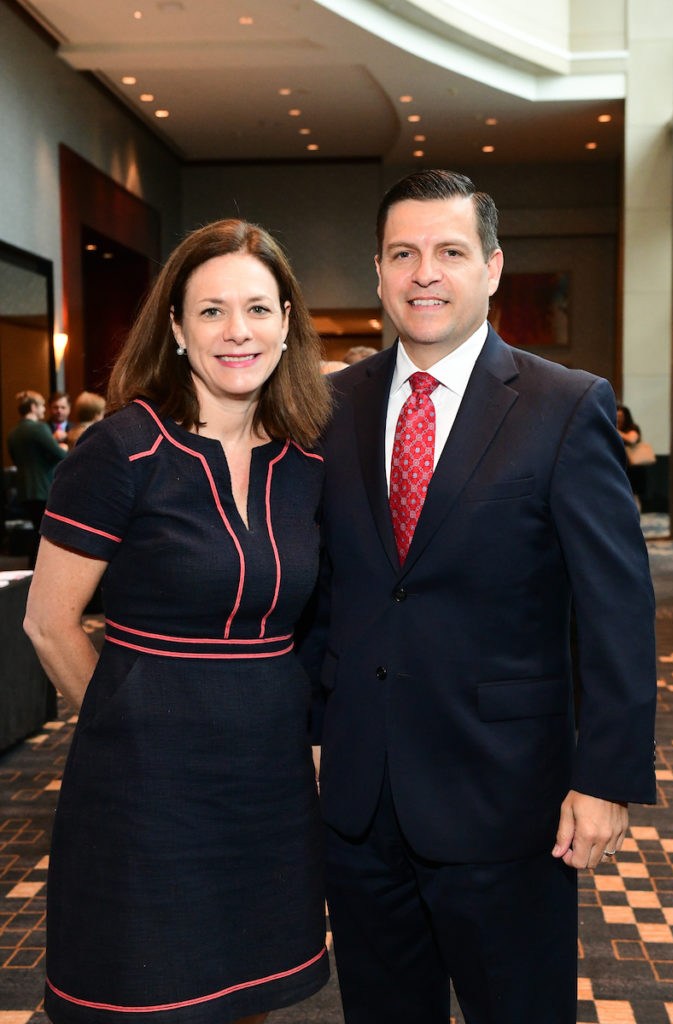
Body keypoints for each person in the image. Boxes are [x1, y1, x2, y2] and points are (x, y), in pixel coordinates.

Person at [300, 169, 657, 1024]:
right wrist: (312, 728)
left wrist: (604, 777)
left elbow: (617, 608)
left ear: (491, 268)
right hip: (359, 800)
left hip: (508, 802)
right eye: (404, 254)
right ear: (379, 273)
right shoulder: (325, 405)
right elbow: (323, 584)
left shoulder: (564, 406)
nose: (426, 272)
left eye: (450, 252)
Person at [24, 219, 332, 1024]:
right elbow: (49, 624)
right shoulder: (121, 449)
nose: (239, 331)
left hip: (268, 778)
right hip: (145, 785)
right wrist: (130, 726)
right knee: (147, 993)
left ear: (286, 322)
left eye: (259, 309)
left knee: (248, 993)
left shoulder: (307, 461)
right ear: (175, 327)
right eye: (212, 311)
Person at [7, 390, 67, 564]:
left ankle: (33, 568)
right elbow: (59, 454)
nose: (43, 410)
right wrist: (62, 445)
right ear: (33, 407)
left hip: (25, 490)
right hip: (43, 488)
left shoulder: (13, 433)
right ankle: (39, 568)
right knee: (45, 533)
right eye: (41, 406)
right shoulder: (39, 428)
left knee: (37, 530)